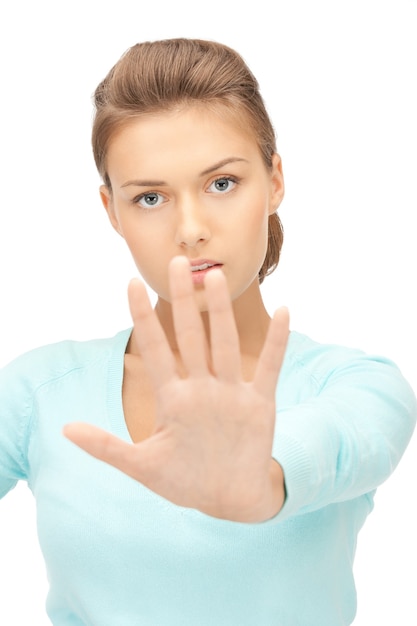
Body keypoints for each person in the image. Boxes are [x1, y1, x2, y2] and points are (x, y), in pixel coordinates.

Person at [0, 38, 415, 626]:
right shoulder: (36, 390)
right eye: (149, 197)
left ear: (274, 181)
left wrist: (262, 480)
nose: (190, 229)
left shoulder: (358, 386)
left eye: (221, 184)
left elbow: (338, 444)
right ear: (111, 211)